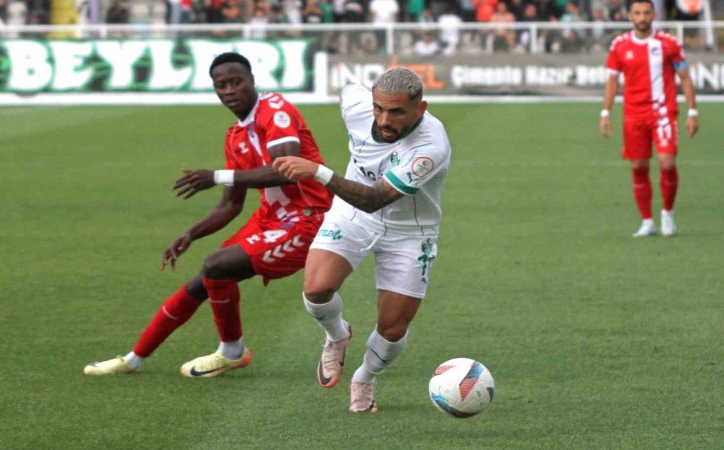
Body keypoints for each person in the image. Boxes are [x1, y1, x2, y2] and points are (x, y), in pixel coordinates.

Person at [84, 52, 333, 377]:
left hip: (310, 218)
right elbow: (231, 205)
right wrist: (191, 234)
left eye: (236, 82)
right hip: (271, 219)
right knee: (207, 277)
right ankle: (132, 360)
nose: (229, 91)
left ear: (252, 80)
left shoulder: (275, 110)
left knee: (217, 265)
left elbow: (286, 171)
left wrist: (215, 176)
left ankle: (232, 351)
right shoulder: (235, 136)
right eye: (221, 85)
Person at [273, 67, 452, 413]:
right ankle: (337, 335)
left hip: (409, 232)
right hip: (351, 214)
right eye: (378, 108)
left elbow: (374, 199)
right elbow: (347, 90)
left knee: (393, 328)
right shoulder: (355, 104)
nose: (384, 120)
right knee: (316, 290)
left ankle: (365, 377)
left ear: (420, 109)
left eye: (396, 112)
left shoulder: (431, 146)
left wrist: (318, 172)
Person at [599, 0, 699, 237]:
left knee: (667, 162)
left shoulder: (668, 43)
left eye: (646, 12)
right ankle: (647, 221)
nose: (642, 17)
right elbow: (612, 80)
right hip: (633, 114)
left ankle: (668, 214)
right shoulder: (619, 45)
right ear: (630, 16)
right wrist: (605, 112)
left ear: (653, 14)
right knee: (639, 166)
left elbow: (685, 77)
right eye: (637, 13)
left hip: (663, 112)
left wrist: (692, 111)